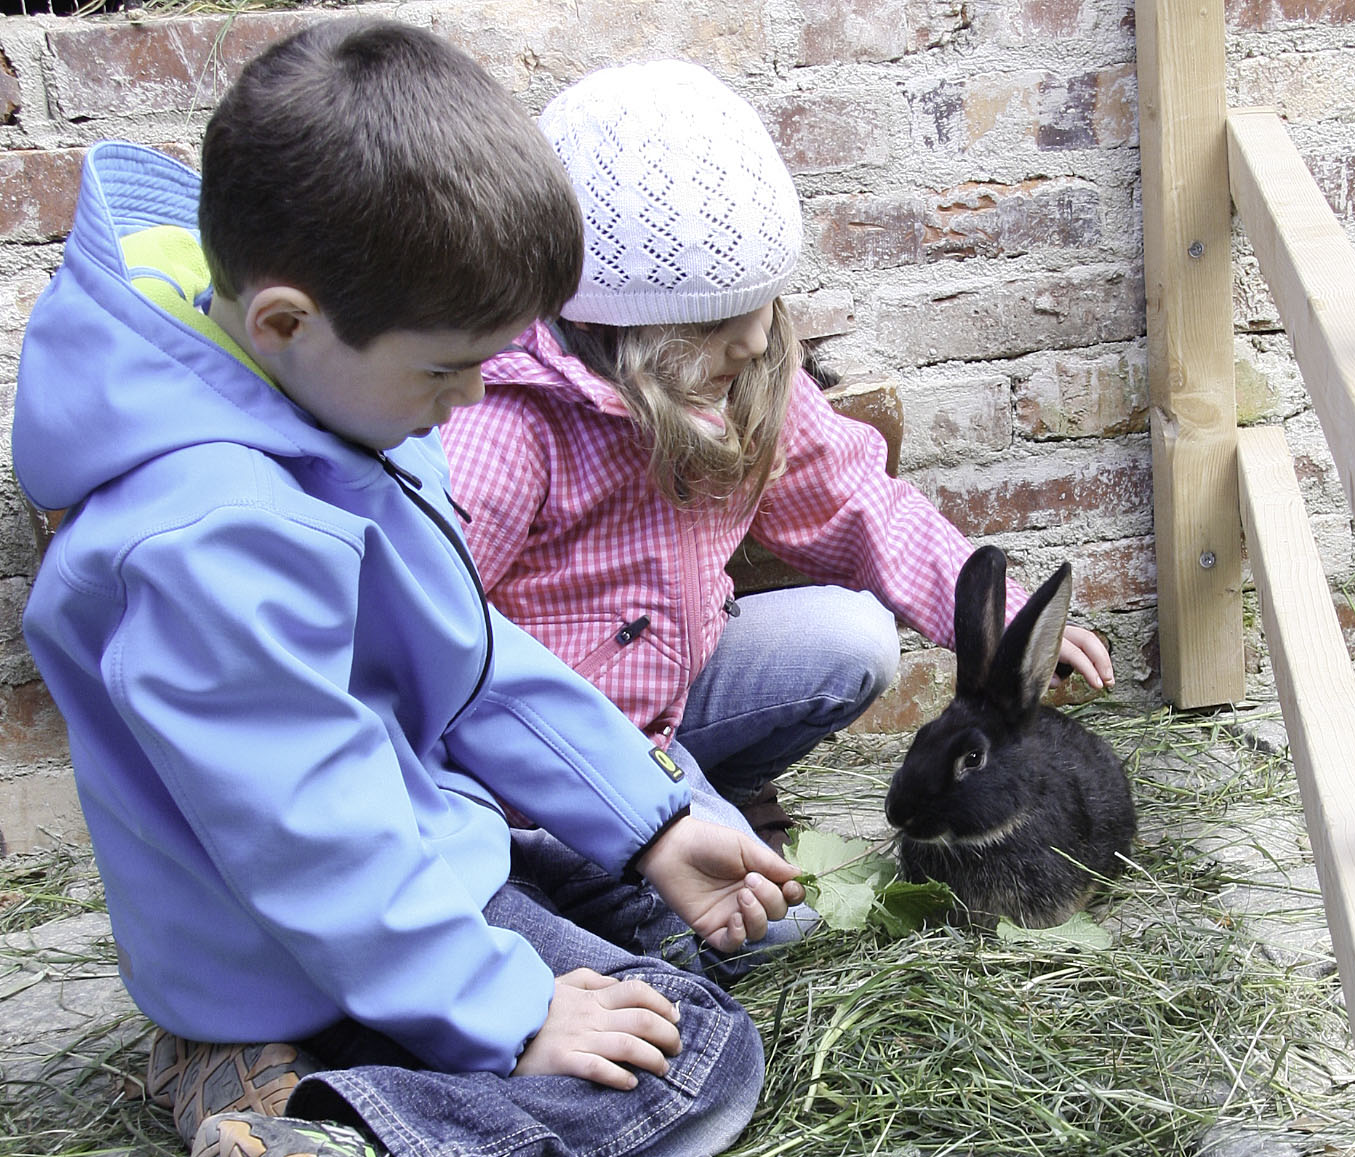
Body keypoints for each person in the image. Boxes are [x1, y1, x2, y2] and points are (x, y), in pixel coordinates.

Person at [12, 22, 802, 1157]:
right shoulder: (212, 534)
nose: (473, 398)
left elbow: (469, 651)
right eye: (449, 368)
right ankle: (338, 1135)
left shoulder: (326, 401)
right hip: (301, 931)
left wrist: (653, 813)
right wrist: (508, 1008)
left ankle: (247, 1069)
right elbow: (312, 831)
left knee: (708, 918)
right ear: (287, 320)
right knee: (700, 1064)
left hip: (396, 855)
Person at [442, 60, 1117, 855]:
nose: (757, 339)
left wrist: (1004, 625)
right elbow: (427, 644)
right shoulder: (503, 427)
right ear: (611, 327)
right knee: (759, 932)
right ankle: (565, 855)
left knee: (853, 639)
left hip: (669, 692)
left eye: (764, 304)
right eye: (716, 320)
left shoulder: (743, 378)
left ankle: (710, 790)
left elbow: (852, 500)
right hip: (542, 754)